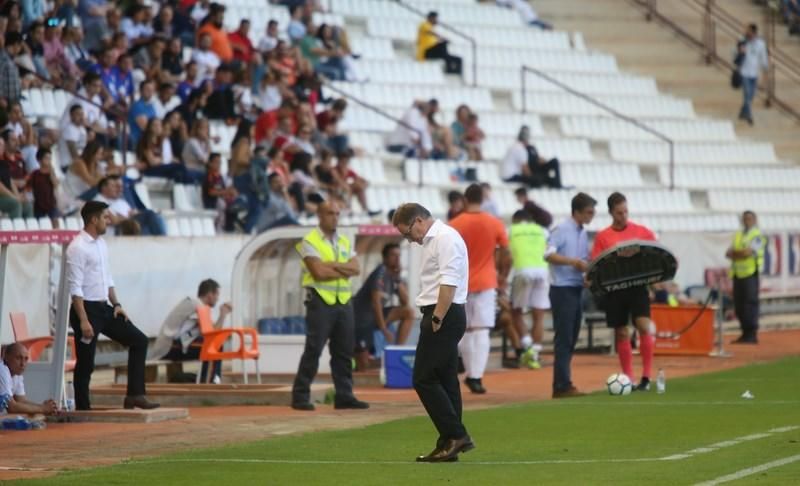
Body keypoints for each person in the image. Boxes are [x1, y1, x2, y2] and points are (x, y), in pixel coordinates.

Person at [392, 203, 473, 463]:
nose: (409, 239)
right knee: (446, 378)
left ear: (418, 221)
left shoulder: (445, 238)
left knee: (423, 378)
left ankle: (456, 434)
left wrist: (437, 316)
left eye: (407, 233)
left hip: (443, 313)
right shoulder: (435, 240)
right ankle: (448, 443)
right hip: (441, 312)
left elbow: (449, 282)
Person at [66, 201, 160, 410]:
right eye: (104, 217)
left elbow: (107, 278)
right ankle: (83, 407)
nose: (108, 221)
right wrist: (83, 320)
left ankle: (135, 395)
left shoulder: (101, 244)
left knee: (139, 341)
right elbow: (75, 287)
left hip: (104, 307)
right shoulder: (77, 247)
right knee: (86, 362)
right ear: (93, 219)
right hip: (87, 310)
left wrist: (116, 303)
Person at [291, 201, 369, 411]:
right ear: (320, 215)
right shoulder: (310, 241)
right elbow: (318, 272)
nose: (335, 217)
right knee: (314, 349)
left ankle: (344, 395)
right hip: (320, 301)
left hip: (343, 302)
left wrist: (331, 265)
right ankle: (300, 395)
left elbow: (356, 269)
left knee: (344, 352)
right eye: (330, 213)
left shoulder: (344, 241)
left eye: (337, 213)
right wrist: (341, 268)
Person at [590, 192, 657, 392]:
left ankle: (646, 377)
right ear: (611, 213)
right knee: (621, 333)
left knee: (644, 326)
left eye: (626, 211)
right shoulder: (603, 237)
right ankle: (628, 377)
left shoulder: (642, 231)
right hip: (615, 290)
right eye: (619, 213)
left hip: (637, 287)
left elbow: (656, 254)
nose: (623, 216)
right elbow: (596, 264)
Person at [449, 184, 511, 394]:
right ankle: (476, 376)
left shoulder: (455, 223)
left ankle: (469, 372)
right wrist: (502, 275)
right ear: (482, 200)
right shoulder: (494, 223)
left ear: (465, 200)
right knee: (482, 329)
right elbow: (506, 251)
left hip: (461, 282)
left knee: (465, 329)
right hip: (486, 281)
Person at [545, 192, 596, 398]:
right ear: (576, 211)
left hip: (575, 288)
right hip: (562, 289)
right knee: (564, 337)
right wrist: (572, 262)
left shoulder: (582, 232)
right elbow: (548, 254)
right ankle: (561, 385)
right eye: (588, 212)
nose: (591, 216)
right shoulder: (562, 229)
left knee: (571, 336)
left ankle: (563, 382)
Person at [150, 279, 230, 383]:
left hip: (171, 346)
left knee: (213, 344)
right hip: (169, 347)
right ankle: (211, 382)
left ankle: (206, 379)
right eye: (217, 295)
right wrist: (223, 314)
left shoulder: (196, 304)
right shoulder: (197, 305)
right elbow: (212, 334)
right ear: (210, 294)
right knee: (214, 345)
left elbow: (211, 332)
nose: (218, 299)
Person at [352, 243, 415, 367]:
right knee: (363, 365)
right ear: (385, 258)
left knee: (408, 312)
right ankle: (368, 360)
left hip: (374, 318)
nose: (397, 258)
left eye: (399, 255)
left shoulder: (394, 275)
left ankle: (396, 353)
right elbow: (376, 303)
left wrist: (397, 279)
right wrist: (383, 329)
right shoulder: (380, 272)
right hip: (361, 320)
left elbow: (405, 301)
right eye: (393, 255)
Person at [508, 210, 550, 370]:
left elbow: (506, 254)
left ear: (516, 220)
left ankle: (528, 347)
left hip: (523, 271)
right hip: (542, 271)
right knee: (538, 315)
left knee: (516, 312)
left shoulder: (512, 230)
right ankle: (536, 354)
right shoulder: (542, 231)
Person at [726, 210, 766, 344]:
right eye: (744, 218)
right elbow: (728, 253)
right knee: (739, 305)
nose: (746, 221)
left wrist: (737, 254)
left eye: (749, 218)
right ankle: (744, 332)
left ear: (755, 220)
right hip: (738, 274)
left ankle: (751, 333)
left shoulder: (758, 235)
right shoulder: (738, 234)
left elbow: (747, 252)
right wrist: (739, 253)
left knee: (750, 304)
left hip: (750, 274)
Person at [95, 175, 166, 236]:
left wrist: (126, 216)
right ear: (103, 188)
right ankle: (163, 242)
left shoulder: (121, 202)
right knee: (150, 214)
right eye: (115, 186)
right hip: (118, 231)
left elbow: (132, 213)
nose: (120, 189)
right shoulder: (99, 200)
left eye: (121, 186)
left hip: (130, 227)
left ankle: (160, 243)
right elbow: (114, 221)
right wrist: (128, 217)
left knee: (156, 217)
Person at [0, 343, 58, 416]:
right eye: (18, 358)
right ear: (6, 358)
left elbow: (21, 401)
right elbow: (12, 407)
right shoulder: (2, 370)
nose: (23, 364)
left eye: (26, 359)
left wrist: (46, 407)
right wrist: (43, 408)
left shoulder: (17, 374)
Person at [737, 23, 769, 126]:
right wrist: (740, 51)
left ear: (754, 33)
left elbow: (764, 61)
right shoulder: (743, 41)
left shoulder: (760, 44)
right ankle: (749, 116)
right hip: (744, 72)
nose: (747, 33)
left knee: (751, 96)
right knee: (747, 94)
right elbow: (735, 56)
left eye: (749, 31)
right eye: (747, 31)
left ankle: (743, 112)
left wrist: (764, 80)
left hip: (754, 74)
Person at [416, 11, 462, 75]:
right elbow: (431, 32)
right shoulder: (424, 25)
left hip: (432, 51)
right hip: (425, 51)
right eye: (435, 18)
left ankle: (451, 72)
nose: (436, 20)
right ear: (430, 18)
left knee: (458, 59)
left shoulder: (431, 27)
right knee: (443, 44)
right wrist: (442, 38)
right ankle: (447, 60)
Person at [0, 32, 23, 104]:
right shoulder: (2, 59)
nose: (20, 49)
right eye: (20, 46)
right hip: (4, 103)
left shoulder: (11, 60)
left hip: (12, 102)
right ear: (16, 45)